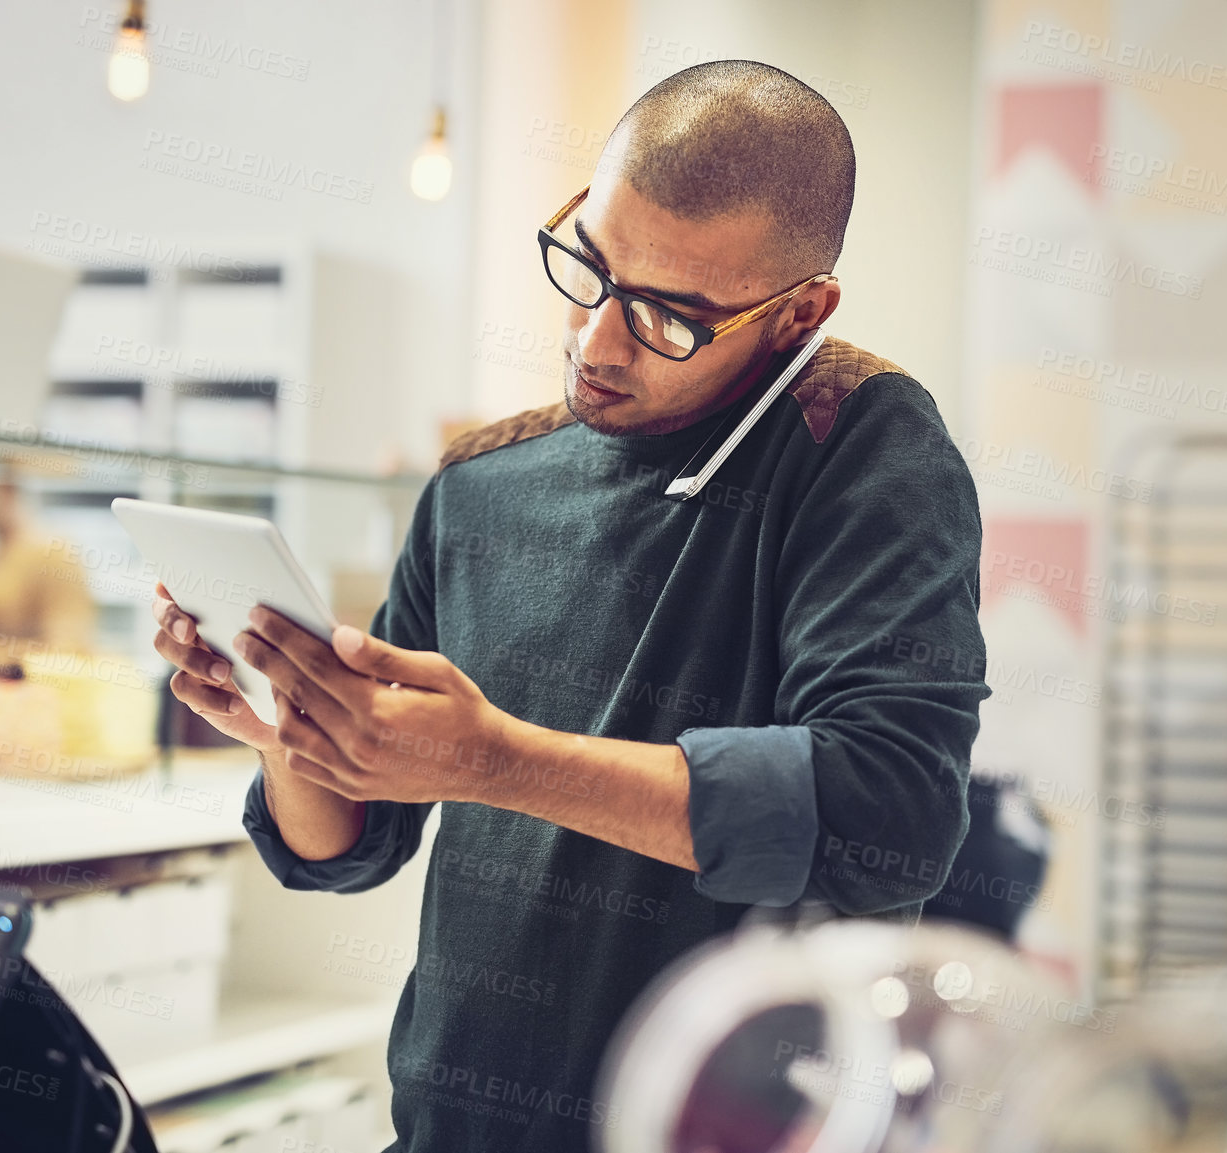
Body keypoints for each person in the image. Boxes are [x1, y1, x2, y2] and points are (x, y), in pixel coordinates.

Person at [152, 59, 989, 1153]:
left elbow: (884, 819)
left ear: (800, 313)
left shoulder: (864, 449)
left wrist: (495, 759)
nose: (595, 342)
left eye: (669, 318)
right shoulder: (481, 482)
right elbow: (347, 849)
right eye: (587, 268)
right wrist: (294, 732)